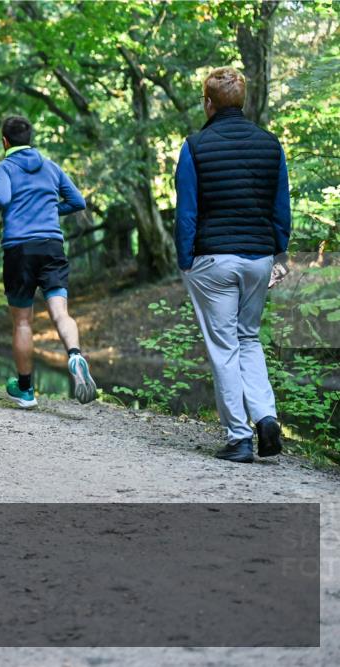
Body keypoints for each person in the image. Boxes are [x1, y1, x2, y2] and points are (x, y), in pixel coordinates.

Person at [175, 67, 290, 464]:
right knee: (248, 338)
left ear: (208, 103)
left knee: (223, 346)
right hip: (258, 258)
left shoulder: (194, 146)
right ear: (241, 101)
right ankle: (267, 417)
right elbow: (281, 210)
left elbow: (186, 212)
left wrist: (185, 261)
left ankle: (240, 437)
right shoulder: (271, 145)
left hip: (213, 260)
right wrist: (279, 253)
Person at [0, 115, 96, 408]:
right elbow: (78, 201)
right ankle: (75, 355)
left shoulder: (4, 167)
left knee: (22, 322)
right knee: (60, 311)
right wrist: (51, 210)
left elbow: (1, 196)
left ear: (5, 141)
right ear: (30, 139)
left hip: (20, 249)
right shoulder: (51, 166)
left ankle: (26, 390)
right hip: (52, 246)